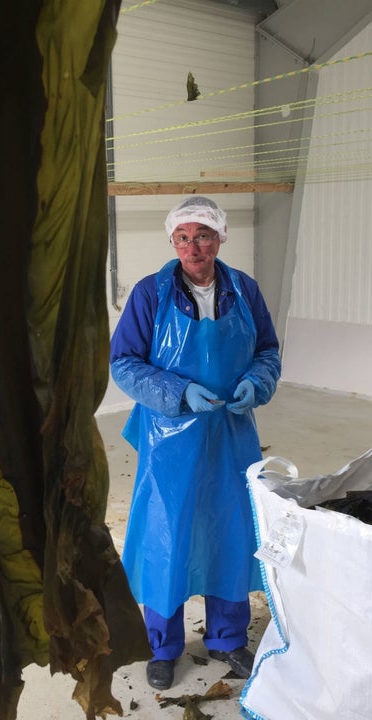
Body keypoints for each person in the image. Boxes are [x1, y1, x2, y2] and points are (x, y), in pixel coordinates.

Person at [109, 196, 281, 691]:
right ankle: (162, 646)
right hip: (169, 440)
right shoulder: (150, 294)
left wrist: (258, 382)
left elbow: (267, 349)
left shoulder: (244, 290)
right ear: (172, 242)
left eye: (202, 235)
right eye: (183, 237)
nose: (193, 246)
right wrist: (178, 392)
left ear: (220, 238)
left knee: (229, 533)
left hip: (231, 432)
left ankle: (227, 639)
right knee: (169, 536)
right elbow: (124, 362)